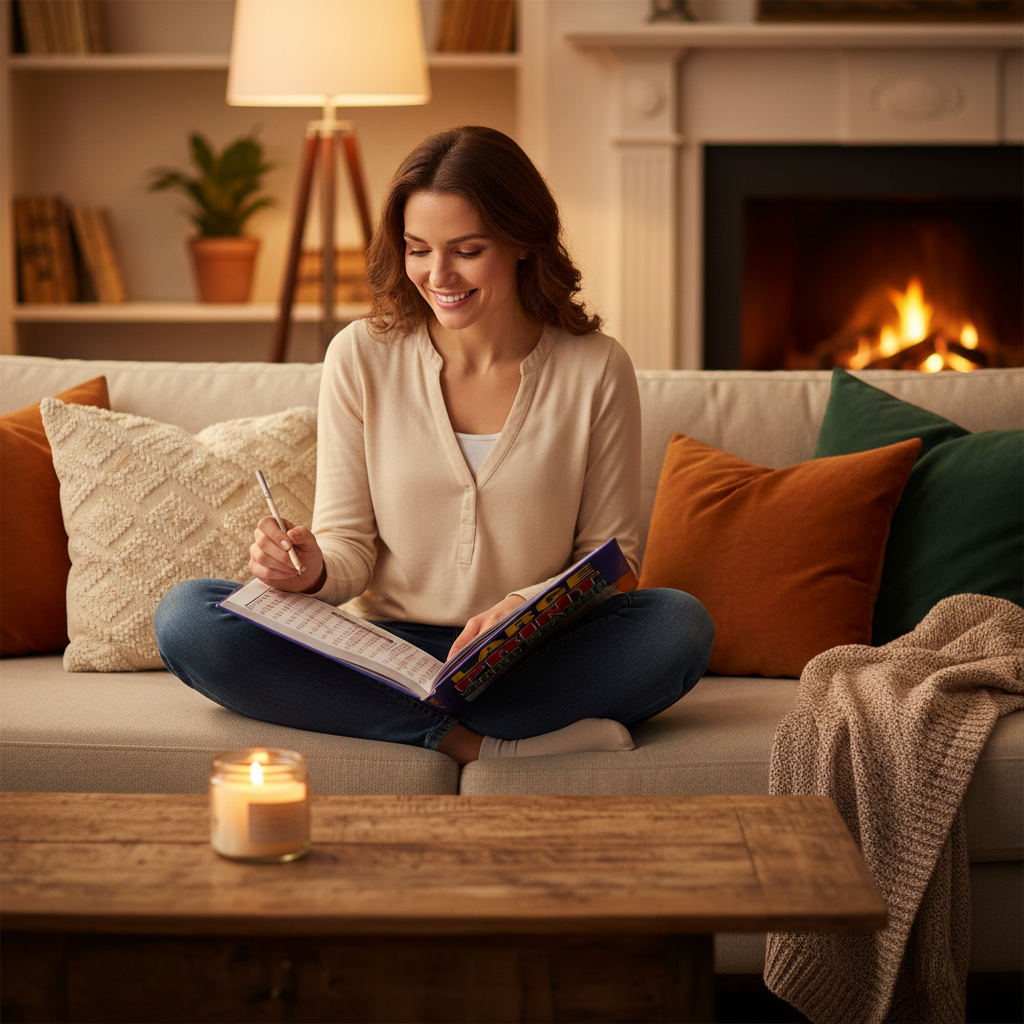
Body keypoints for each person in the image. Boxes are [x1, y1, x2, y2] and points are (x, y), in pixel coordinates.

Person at [155, 125, 713, 766]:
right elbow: (348, 548)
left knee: (678, 624)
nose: (437, 274)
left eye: (467, 250)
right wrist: (309, 572)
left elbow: (611, 562)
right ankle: (472, 742)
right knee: (188, 617)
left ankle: (402, 722)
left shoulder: (596, 367)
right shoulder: (359, 356)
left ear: (524, 242)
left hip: (530, 650)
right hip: (385, 652)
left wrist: (519, 607)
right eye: (417, 249)